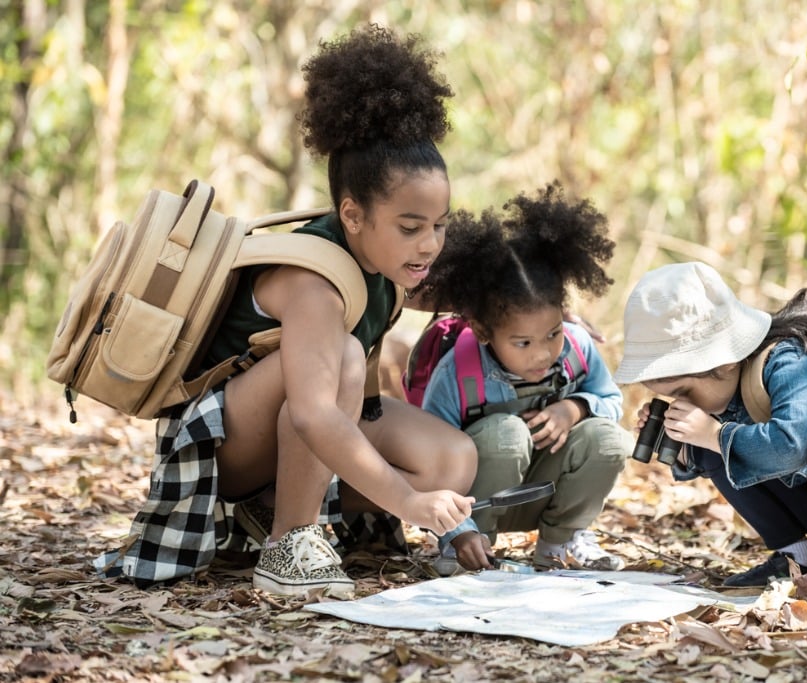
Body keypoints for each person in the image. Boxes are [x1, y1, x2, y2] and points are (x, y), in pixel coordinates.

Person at [94, 25, 478, 598]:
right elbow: (315, 416)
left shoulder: (390, 264)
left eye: (439, 226)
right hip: (220, 444)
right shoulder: (313, 282)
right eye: (410, 227)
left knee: (452, 458)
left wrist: (563, 326)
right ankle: (288, 544)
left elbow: (477, 300)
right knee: (344, 358)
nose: (429, 244)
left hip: (297, 421)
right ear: (352, 215)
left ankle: (272, 510)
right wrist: (408, 502)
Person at [613, 262, 807, 607]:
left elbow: (790, 448)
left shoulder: (791, 363)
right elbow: (724, 454)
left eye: (683, 391)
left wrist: (715, 434)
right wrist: (682, 441)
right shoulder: (724, 390)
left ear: (726, 361)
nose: (680, 403)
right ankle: (797, 561)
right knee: (716, 444)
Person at [416, 183, 633, 574]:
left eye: (552, 333)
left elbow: (612, 402)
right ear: (484, 332)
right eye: (522, 342)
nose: (542, 353)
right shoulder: (458, 373)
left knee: (610, 439)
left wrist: (576, 407)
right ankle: (471, 546)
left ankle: (560, 542)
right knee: (506, 433)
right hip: (475, 505)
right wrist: (457, 529)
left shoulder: (577, 347)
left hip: (544, 493)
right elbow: (432, 459)